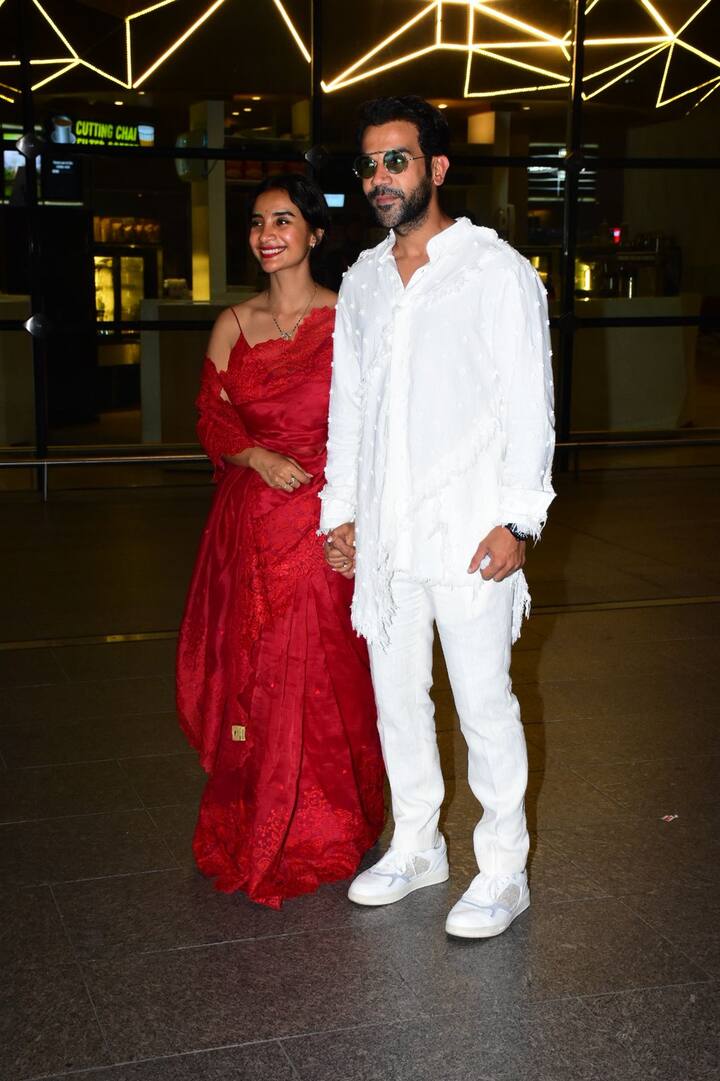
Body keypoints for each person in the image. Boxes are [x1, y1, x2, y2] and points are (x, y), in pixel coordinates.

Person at [321, 96, 555, 938]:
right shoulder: (362, 282)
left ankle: (502, 868)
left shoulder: (495, 271)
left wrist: (519, 521)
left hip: (470, 531)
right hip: (387, 533)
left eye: (397, 160)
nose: (380, 178)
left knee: (485, 700)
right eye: (370, 165)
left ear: (437, 168)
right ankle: (417, 844)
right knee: (397, 700)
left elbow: (531, 404)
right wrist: (340, 514)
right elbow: (349, 410)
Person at [176, 174, 385, 909]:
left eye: (284, 219)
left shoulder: (349, 317)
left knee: (327, 669)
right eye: (259, 221)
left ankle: (328, 815)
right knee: (252, 670)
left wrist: (355, 516)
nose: (268, 232)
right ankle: (258, 807)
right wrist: (255, 456)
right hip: (248, 526)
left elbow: (372, 424)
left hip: (323, 519)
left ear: (315, 234)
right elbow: (212, 416)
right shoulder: (233, 322)